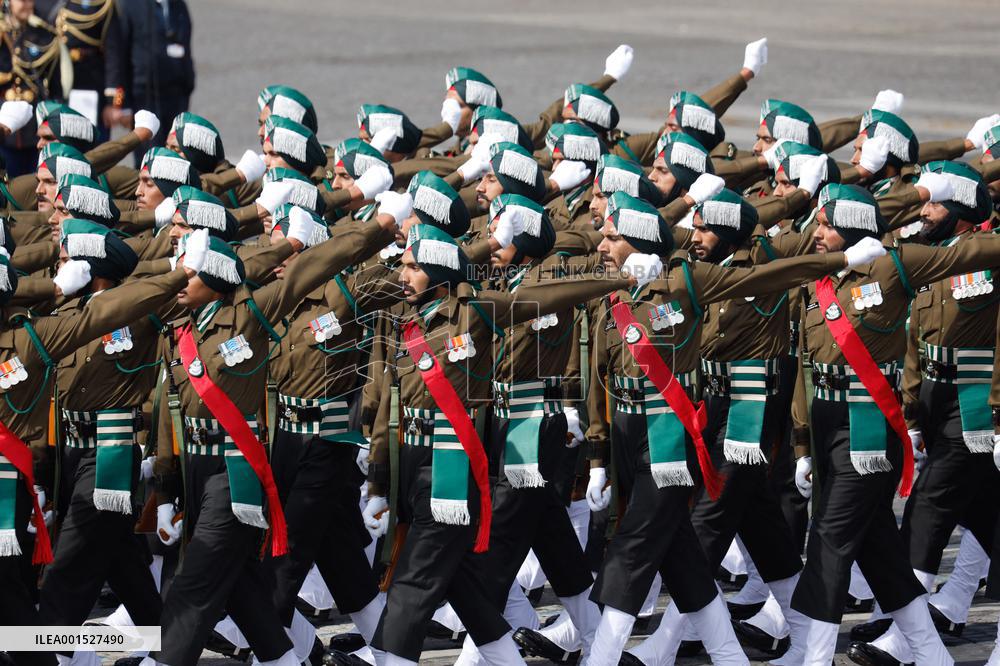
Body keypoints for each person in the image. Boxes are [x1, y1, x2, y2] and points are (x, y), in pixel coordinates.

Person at [117, 0, 195, 164]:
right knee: (148, 157)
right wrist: (121, 103)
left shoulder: (178, 5)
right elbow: (119, 57)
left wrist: (189, 82)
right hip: (143, 95)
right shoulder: (131, 5)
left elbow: (186, 41)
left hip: (176, 93)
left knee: (175, 155)